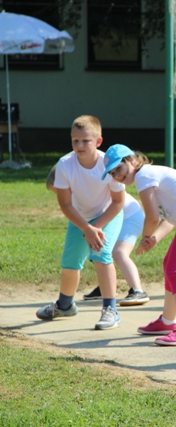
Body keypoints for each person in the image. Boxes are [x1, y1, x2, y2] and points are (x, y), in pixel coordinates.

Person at [103, 144, 176, 346]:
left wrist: (145, 236)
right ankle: (167, 321)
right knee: (169, 265)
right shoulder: (148, 176)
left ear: (132, 160)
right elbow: (168, 219)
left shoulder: (143, 175)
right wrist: (154, 238)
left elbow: (152, 217)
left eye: (119, 168)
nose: (117, 175)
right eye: (113, 173)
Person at [36, 116, 125, 330]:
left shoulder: (108, 164)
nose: (80, 145)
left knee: (101, 254)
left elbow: (118, 202)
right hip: (81, 218)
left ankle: (111, 310)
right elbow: (65, 204)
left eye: (86, 140)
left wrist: (97, 227)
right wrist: (87, 228)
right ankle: (65, 306)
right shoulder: (65, 164)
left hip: (107, 215)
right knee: (70, 263)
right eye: (75, 141)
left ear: (98, 141)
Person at [47, 165, 149, 307]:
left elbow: (114, 206)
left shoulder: (88, 188)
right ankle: (105, 287)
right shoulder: (79, 194)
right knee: (97, 249)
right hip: (110, 218)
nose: (62, 195)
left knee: (118, 252)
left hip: (130, 216)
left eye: (61, 191)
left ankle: (137, 291)